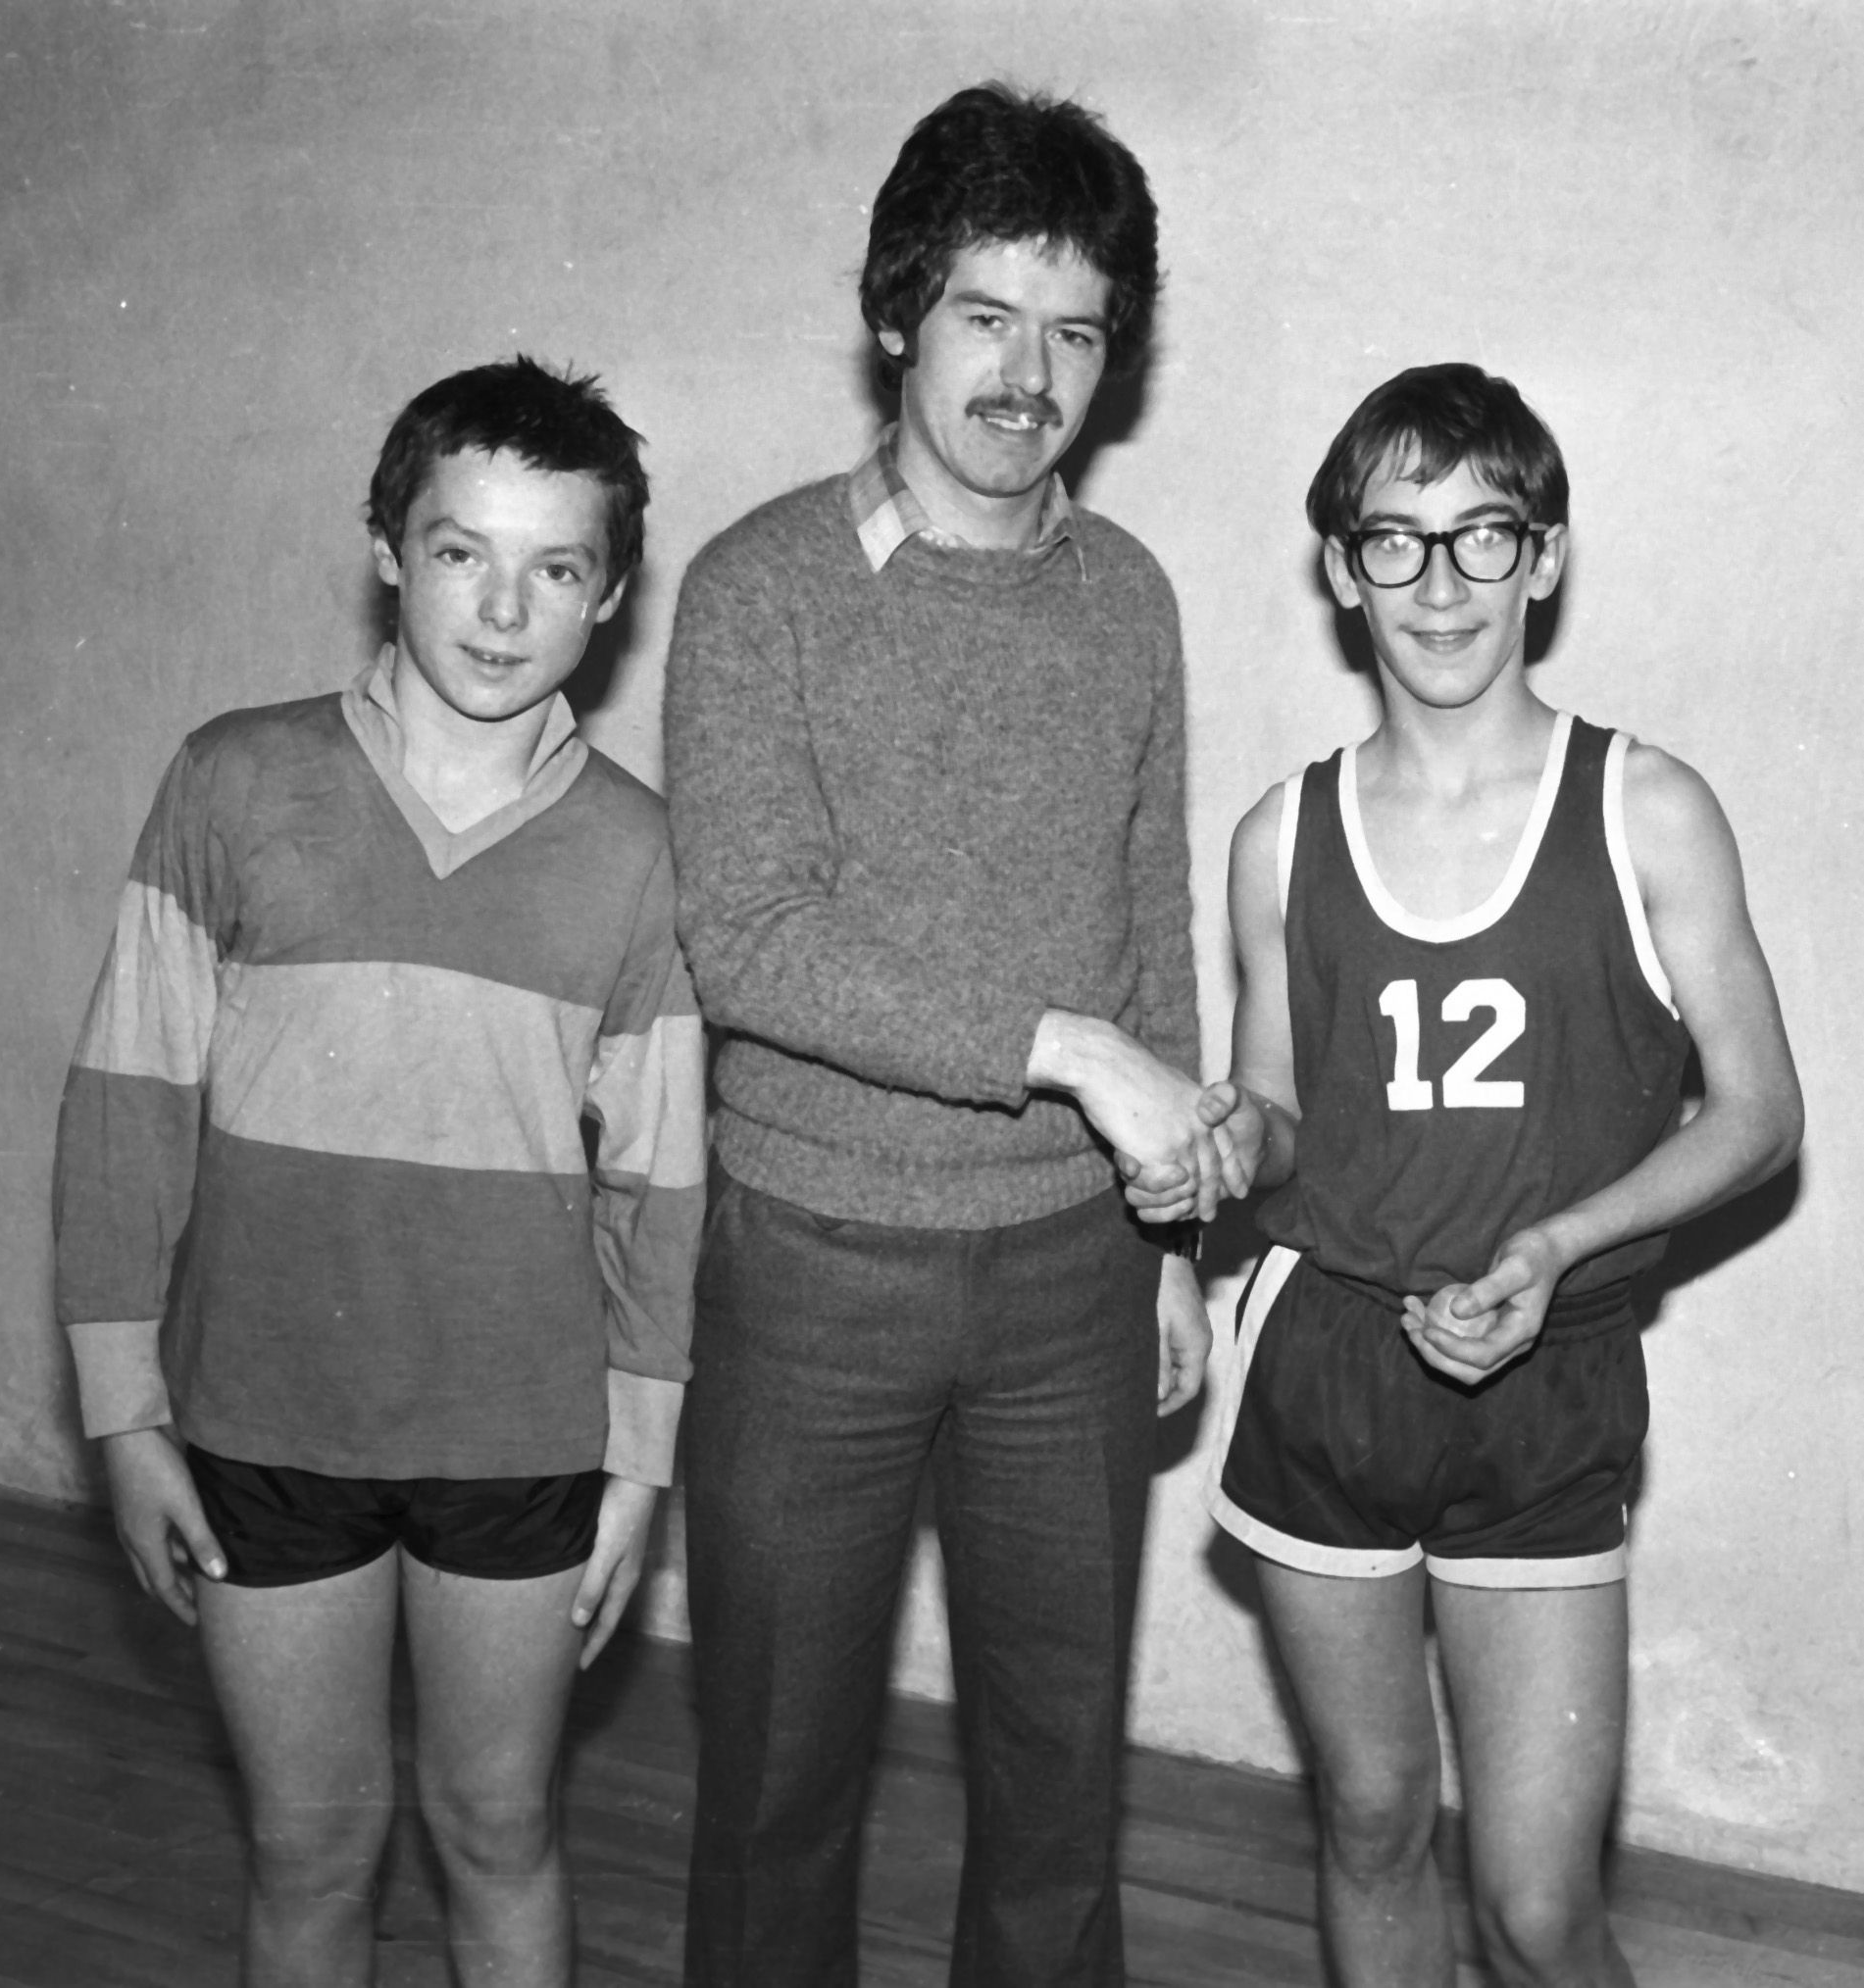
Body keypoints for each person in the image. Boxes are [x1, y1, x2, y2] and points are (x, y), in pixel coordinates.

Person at [664, 80, 1229, 1988]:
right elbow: (748, 944)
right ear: (897, 314)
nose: (1029, 372)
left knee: (1060, 1793)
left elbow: (1150, 923)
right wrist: (1068, 1046)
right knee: (771, 1792)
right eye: (987, 314)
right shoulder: (759, 590)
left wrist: (1176, 1246)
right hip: (813, 1271)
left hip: (1076, 1279)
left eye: (1077, 332)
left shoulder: (1130, 601)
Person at [51, 356, 704, 1987]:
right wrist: (121, 1409)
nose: (502, 606)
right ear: (388, 553)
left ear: (608, 596)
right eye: (462, 548)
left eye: (555, 567)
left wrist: (638, 1458)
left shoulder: (642, 857)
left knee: (498, 1834)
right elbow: (127, 1102)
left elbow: (660, 1184)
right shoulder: (233, 780)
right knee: (308, 1848)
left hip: (521, 1434)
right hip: (265, 1416)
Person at [1203, 362, 1802, 1987]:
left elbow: (1755, 1112)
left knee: (1537, 1912)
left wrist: (1557, 1245)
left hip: (1546, 1381)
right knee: (1373, 1827)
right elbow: (1279, 1122)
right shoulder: (1280, 835)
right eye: (1393, 542)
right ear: (1341, 567)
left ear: (1545, 556)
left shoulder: (1647, 809)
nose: (1440, 584)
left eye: (1483, 537)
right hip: (1330, 1366)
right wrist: (1213, 1144)